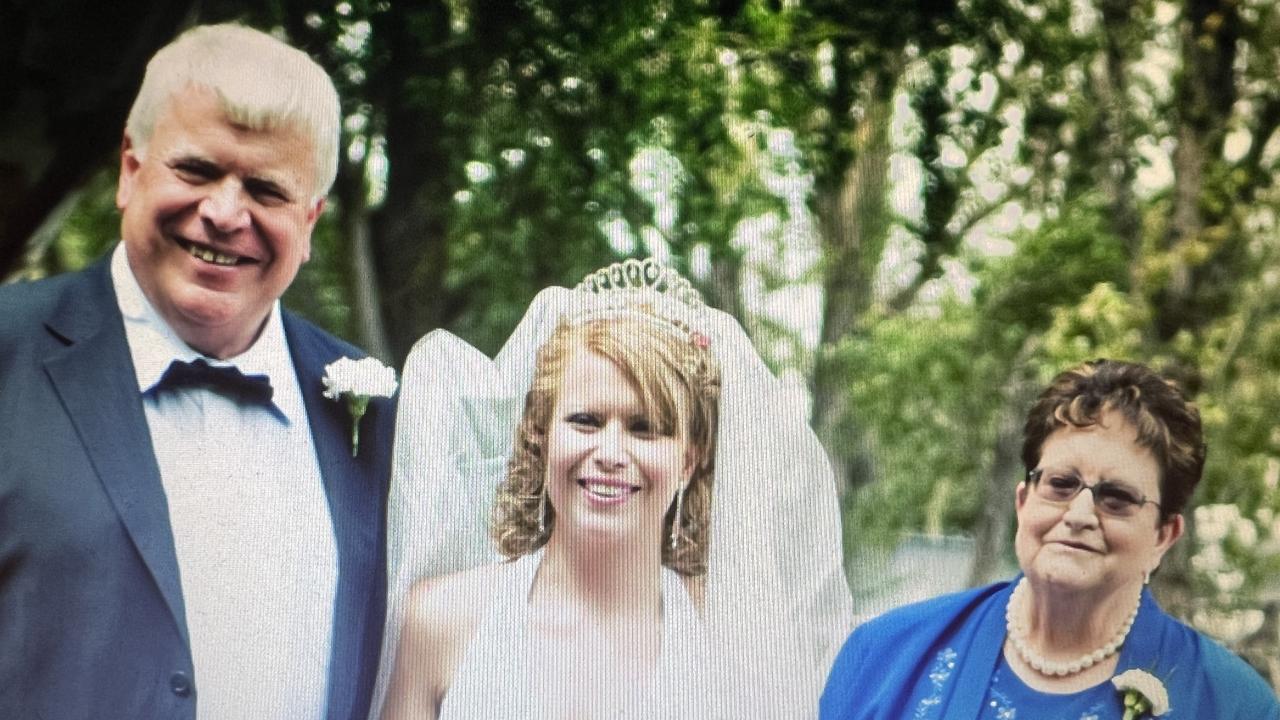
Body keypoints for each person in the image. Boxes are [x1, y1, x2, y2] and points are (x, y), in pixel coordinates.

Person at [0, 23, 395, 720]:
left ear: (310, 220)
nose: (222, 213)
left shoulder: (375, 407)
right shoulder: (8, 348)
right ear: (130, 170)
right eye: (196, 170)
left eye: (266, 190)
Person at [375, 259, 852, 719]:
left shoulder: (738, 643)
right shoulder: (440, 620)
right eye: (585, 420)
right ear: (540, 433)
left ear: (690, 459)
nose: (610, 452)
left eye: (645, 428)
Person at [820, 359, 1280, 719]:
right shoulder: (883, 655)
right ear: (1023, 501)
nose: (1079, 514)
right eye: (1060, 484)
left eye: (1116, 497)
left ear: (1164, 536)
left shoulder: (1235, 705)